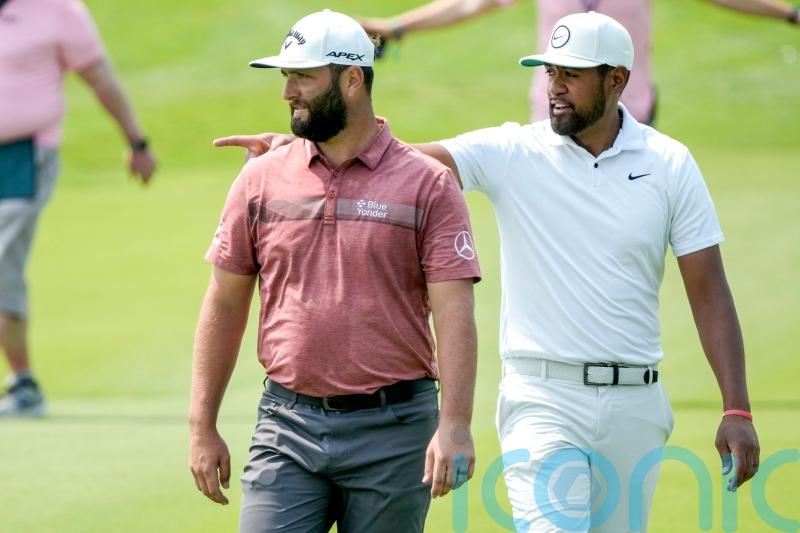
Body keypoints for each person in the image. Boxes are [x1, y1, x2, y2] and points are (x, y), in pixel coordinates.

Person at [214, 11, 761, 532]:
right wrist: (299, 147)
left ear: (617, 79)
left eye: (571, 74)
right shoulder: (513, 150)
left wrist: (735, 405)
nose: (554, 87)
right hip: (541, 398)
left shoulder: (669, 164)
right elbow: (395, 158)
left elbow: (708, 289)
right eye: (549, 71)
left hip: (636, 403)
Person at [188, 10, 482, 533]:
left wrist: (456, 423)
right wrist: (201, 425)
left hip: (395, 431)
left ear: (352, 80)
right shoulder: (261, 178)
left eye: (303, 76)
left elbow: (454, 310)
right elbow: (225, 302)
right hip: (287, 426)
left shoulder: (428, 185)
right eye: (285, 77)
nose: (288, 93)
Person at [0, 0, 156, 417]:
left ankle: (24, 385)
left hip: (22, 157)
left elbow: (100, 80)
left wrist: (137, 143)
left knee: (1, 264)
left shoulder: (57, 9)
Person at [361, 0, 800, 124]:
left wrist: (789, 13)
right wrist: (398, 26)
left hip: (633, 112)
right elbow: (471, 5)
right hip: (552, 112)